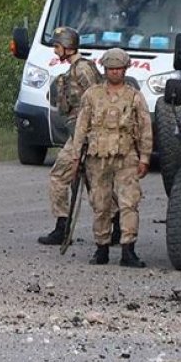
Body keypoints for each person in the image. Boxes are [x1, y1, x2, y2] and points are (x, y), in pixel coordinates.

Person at [71, 48, 152, 268]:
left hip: (126, 157)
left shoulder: (134, 96)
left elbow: (145, 127)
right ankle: (102, 248)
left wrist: (145, 157)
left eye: (119, 68)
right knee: (100, 204)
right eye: (111, 69)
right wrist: (76, 156)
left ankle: (128, 250)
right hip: (97, 158)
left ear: (125, 69)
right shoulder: (92, 95)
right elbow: (81, 127)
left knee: (129, 203)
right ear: (105, 70)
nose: (115, 72)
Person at [38, 26, 104, 245]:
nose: (55, 51)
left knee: (93, 182)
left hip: (87, 135)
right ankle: (63, 226)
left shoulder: (83, 69)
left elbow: (98, 100)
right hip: (77, 133)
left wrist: (90, 135)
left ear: (68, 47)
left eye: (57, 46)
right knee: (65, 177)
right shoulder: (74, 70)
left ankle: (111, 226)